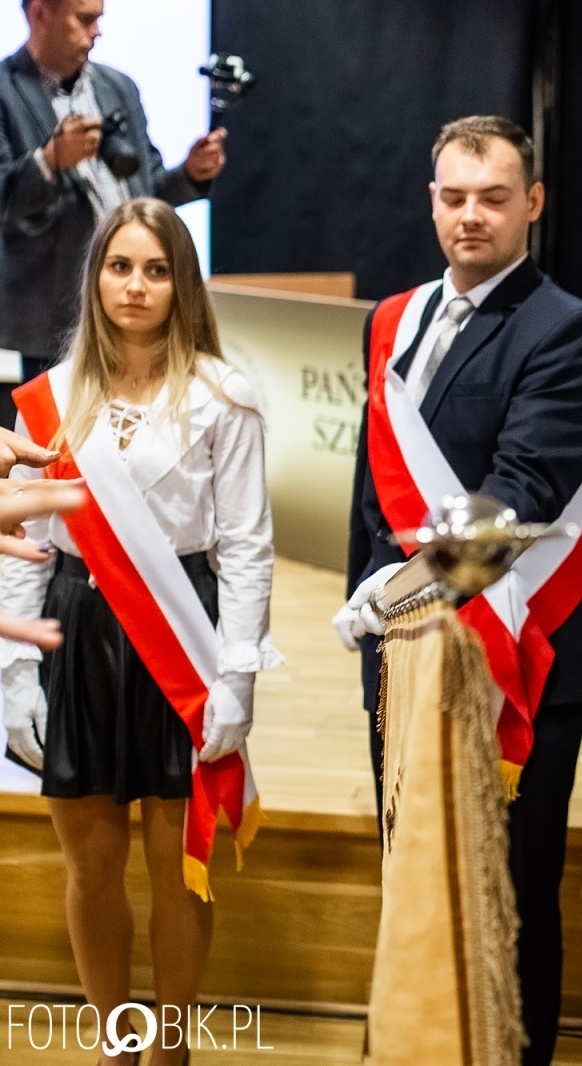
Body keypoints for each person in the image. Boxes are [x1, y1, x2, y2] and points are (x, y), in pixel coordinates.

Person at [336, 115, 582, 1066]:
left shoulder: (567, 329)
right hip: (402, 650)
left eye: (493, 198)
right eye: (454, 197)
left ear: (532, 202)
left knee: (512, 892)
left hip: (518, 648)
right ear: (431, 201)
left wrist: (398, 591)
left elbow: (519, 496)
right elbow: (372, 496)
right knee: (411, 867)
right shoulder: (391, 319)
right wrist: (370, 603)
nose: (471, 216)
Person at [0, 197, 275, 1066]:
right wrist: (14, 670)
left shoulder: (225, 398)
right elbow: (27, 541)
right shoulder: (48, 401)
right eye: (120, 266)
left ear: (182, 283)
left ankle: (171, 1051)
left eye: (157, 270)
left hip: (182, 635)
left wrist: (237, 677)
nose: (136, 285)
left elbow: (247, 547)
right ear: (95, 279)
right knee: (89, 867)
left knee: (175, 864)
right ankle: (120, 1047)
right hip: (77, 632)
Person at [0, 0, 227, 417]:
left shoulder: (118, 87)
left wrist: (191, 174)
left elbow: (148, 194)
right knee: (52, 445)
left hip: (134, 314)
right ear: (40, 14)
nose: (97, 31)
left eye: (100, 17)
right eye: (85, 19)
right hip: (49, 320)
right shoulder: (4, 90)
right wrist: (49, 161)